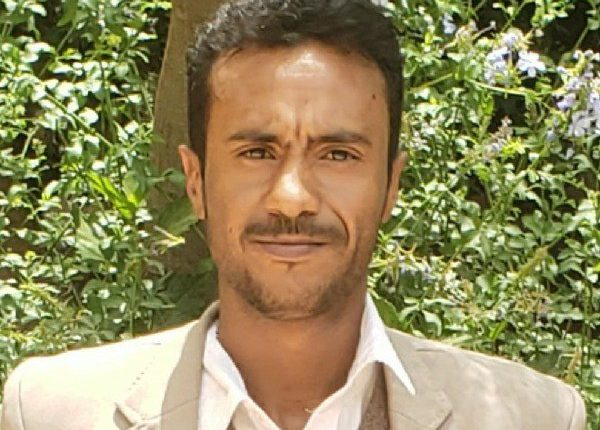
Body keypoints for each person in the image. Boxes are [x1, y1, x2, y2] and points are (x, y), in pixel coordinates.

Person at [0, 0, 587, 429]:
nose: (292, 197)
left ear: (391, 185)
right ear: (196, 182)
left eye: (338, 154)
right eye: (257, 152)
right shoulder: (50, 412)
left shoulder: (537, 418)